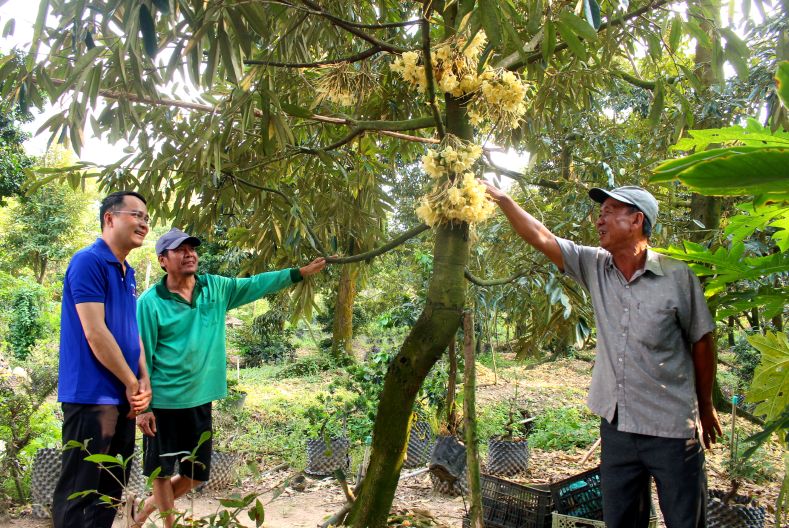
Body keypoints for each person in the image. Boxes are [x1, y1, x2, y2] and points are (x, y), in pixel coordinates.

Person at [484, 183, 722, 528]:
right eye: (600, 213)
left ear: (637, 220)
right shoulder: (594, 265)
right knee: (621, 521)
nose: (599, 221)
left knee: (686, 521)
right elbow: (540, 235)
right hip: (618, 427)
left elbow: (702, 340)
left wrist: (706, 405)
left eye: (609, 212)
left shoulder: (677, 277)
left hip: (670, 428)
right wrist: (504, 200)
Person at [133, 227, 328, 527]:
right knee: (160, 470)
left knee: (195, 476)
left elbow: (255, 284)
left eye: (192, 249)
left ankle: (144, 510)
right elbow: (141, 353)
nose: (190, 254)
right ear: (162, 260)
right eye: (180, 250)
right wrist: (143, 406)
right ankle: (168, 525)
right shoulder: (150, 302)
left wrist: (297, 273)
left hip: (200, 399)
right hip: (164, 402)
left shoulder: (215, 288)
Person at [53, 191, 153, 528]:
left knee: (111, 488)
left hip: (124, 398)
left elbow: (130, 328)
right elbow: (96, 333)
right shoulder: (88, 261)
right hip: (92, 397)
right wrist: (130, 382)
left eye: (147, 218)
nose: (144, 223)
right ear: (109, 218)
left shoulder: (129, 271)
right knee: (81, 490)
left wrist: (143, 379)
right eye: (136, 215)